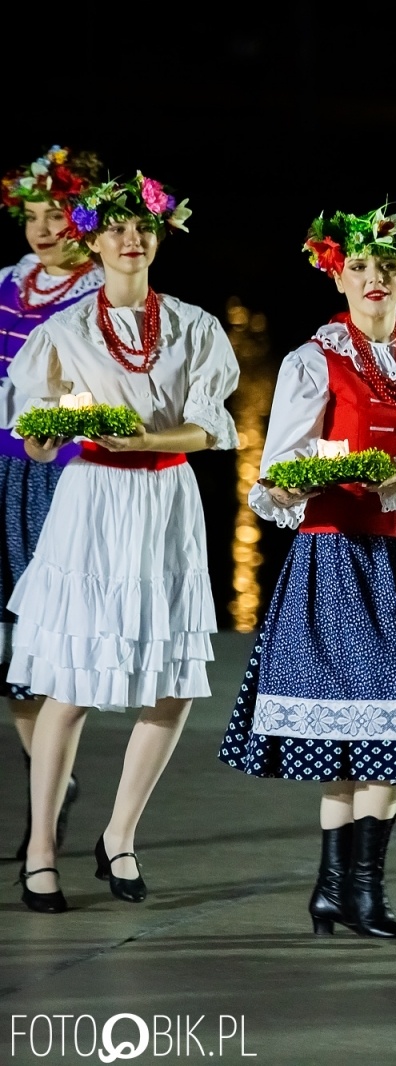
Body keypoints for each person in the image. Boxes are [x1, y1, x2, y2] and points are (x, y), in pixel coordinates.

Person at [218, 207, 396, 938]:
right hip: (337, 554)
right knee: (353, 727)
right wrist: (288, 488)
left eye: (388, 267)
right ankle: (348, 890)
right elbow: (283, 465)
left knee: (391, 726)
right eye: (360, 267)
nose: (375, 278)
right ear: (337, 276)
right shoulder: (314, 360)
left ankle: (347, 890)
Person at [11, 173, 236, 914]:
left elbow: (209, 429)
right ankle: (41, 850)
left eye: (143, 227)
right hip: (93, 502)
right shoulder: (66, 331)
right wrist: (49, 434)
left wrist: (143, 439)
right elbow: (37, 438)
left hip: (165, 500)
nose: (131, 239)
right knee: (70, 681)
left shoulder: (195, 327)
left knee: (173, 684)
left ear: (160, 236)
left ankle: (121, 834)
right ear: (94, 242)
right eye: (116, 228)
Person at [0, 146, 104, 862]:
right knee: (10, 645)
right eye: (32, 216)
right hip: (4, 470)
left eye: (57, 215)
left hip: (65, 473)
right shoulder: (8, 284)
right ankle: (50, 781)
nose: (42, 229)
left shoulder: (99, 294)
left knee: (53, 636)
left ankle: (51, 780)